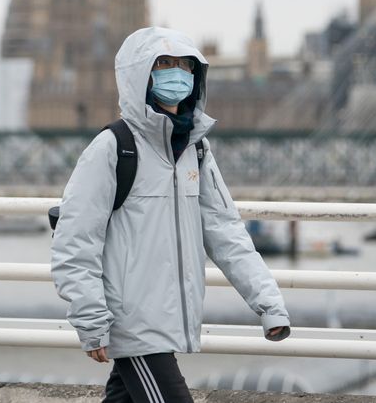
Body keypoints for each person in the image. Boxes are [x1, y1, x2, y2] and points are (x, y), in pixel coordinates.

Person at [51, 26, 290, 403]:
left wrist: (269, 304)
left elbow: (225, 232)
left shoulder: (195, 150)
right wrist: (91, 320)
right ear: (139, 74)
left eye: (184, 65)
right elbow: (75, 240)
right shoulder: (112, 148)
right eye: (163, 64)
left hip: (169, 321)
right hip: (134, 325)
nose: (176, 74)